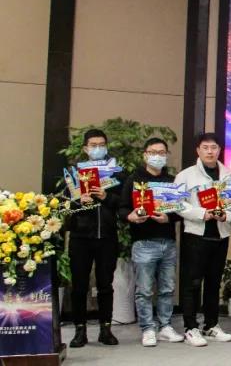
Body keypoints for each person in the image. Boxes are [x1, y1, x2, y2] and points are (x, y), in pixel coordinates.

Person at [118, 138, 184, 347]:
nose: (157, 156)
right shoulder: (134, 180)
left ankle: (165, 326)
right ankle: (147, 328)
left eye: (162, 152)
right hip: (143, 242)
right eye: (153, 152)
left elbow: (180, 210)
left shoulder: (171, 181)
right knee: (144, 290)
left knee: (167, 288)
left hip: (168, 241)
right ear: (145, 154)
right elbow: (122, 208)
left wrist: (168, 218)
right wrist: (130, 216)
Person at [175, 132, 231, 347]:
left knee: (213, 282)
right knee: (192, 283)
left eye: (214, 147)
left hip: (220, 234)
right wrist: (202, 213)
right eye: (205, 147)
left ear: (220, 150)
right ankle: (190, 327)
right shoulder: (186, 175)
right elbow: (178, 203)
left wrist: (226, 215)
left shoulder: (229, 176)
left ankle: (211, 325)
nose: (210, 151)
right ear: (198, 150)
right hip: (196, 235)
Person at [67, 129, 124, 348]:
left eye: (101, 144)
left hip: (107, 236)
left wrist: (106, 196)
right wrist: (77, 200)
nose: (98, 148)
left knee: (105, 285)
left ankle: (105, 329)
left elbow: (124, 203)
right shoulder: (74, 172)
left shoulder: (116, 173)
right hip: (80, 236)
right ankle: (80, 330)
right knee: (79, 285)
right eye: (93, 145)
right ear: (85, 148)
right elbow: (63, 205)